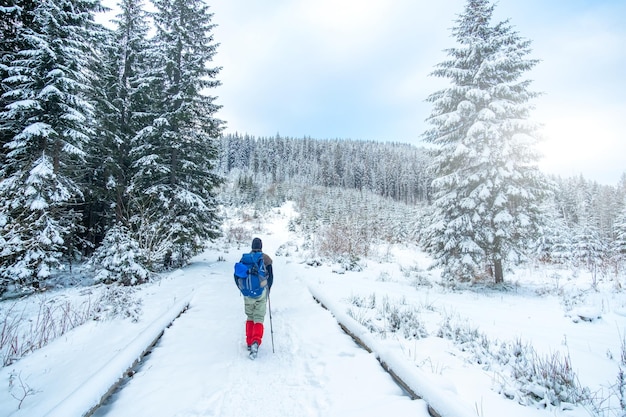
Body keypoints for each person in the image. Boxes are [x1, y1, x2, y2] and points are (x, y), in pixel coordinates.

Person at [243, 237, 273, 358]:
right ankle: (256, 341)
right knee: (259, 317)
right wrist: (268, 291)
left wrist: (243, 290)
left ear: (252, 246)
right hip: (261, 292)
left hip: (247, 293)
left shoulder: (245, 259)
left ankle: (249, 342)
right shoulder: (266, 259)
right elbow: (270, 278)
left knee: (250, 316)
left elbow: (237, 276)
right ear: (261, 246)